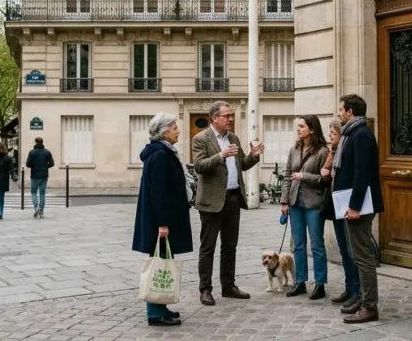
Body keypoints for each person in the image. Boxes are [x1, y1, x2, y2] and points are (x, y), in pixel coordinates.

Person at [191, 100, 265, 306]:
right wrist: (220, 155)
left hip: (233, 198)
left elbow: (241, 164)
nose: (230, 119)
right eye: (226, 116)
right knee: (208, 247)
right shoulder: (200, 139)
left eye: (231, 115)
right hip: (211, 202)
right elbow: (198, 166)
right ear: (214, 118)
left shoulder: (233, 137)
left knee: (230, 246)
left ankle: (228, 286)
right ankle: (205, 289)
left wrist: (253, 156)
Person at [132, 114, 193, 327]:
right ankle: (155, 313)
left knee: (164, 260)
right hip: (161, 219)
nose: (178, 131)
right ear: (164, 131)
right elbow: (158, 192)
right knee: (159, 262)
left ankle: (161, 306)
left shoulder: (163, 152)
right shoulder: (160, 156)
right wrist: (162, 223)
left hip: (165, 217)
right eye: (175, 128)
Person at [333, 94, 385, 324]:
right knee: (358, 255)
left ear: (350, 111)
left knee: (363, 258)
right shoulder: (352, 133)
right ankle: (363, 300)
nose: (339, 113)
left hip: (360, 206)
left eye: (341, 109)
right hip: (351, 204)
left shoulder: (361, 134)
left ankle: (369, 306)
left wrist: (354, 206)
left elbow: (362, 173)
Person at [280, 114, 331, 300]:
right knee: (298, 245)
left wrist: (304, 176)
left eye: (302, 126)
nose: (298, 129)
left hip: (314, 204)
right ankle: (300, 282)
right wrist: (284, 201)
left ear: (312, 129)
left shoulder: (323, 152)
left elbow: (325, 179)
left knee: (317, 245)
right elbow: (287, 175)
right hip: (295, 204)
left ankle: (320, 284)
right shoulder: (294, 149)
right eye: (298, 126)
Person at [321, 116, 360, 310]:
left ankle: (357, 292)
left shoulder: (345, 151)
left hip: (346, 204)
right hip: (336, 204)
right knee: (344, 250)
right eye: (330, 133)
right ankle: (349, 288)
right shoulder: (332, 153)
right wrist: (325, 173)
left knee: (352, 252)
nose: (330, 136)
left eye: (333, 133)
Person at [25, 137, 55, 219]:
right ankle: (41, 211)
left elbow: (27, 164)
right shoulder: (47, 152)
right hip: (44, 175)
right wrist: (45, 166)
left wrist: (34, 166)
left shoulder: (32, 152)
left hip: (34, 175)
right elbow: (52, 163)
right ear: (42, 142)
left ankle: (36, 207)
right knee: (42, 193)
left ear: (35, 142)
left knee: (33, 192)